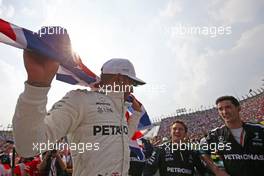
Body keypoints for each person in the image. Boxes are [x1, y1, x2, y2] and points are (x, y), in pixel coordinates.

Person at [12, 29, 146, 176]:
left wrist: (137, 114)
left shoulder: (119, 110)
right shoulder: (81, 100)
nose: (132, 89)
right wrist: (36, 87)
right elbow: (28, 146)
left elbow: (123, 139)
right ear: (120, 78)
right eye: (131, 82)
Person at [200, 96, 264, 176]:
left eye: (228, 107)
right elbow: (202, 151)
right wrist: (217, 170)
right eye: (220, 109)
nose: (225, 112)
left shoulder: (259, 129)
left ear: (238, 108)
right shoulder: (215, 134)